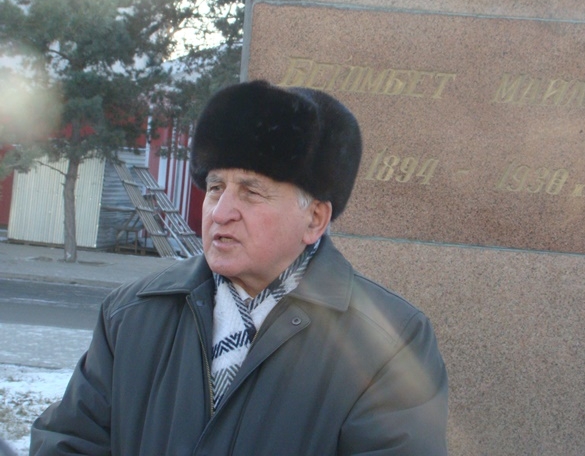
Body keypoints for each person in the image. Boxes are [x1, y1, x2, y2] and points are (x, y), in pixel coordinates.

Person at [30, 80, 448, 455]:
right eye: (216, 187)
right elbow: (68, 442)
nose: (220, 212)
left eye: (250, 192)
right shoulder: (131, 315)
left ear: (314, 219)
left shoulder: (390, 343)